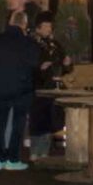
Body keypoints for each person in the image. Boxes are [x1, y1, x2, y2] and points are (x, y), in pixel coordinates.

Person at [0, 10, 40, 171]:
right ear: (24, 24)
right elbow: (35, 63)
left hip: (0, 86)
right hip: (21, 88)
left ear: (10, 22)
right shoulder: (29, 43)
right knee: (18, 124)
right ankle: (13, 159)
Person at [28, 11, 73, 160]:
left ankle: (45, 152)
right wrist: (40, 68)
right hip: (38, 87)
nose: (49, 29)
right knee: (37, 119)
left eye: (50, 26)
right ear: (38, 28)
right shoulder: (31, 44)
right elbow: (27, 66)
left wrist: (67, 64)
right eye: (46, 26)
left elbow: (65, 65)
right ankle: (35, 151)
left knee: (50, 120)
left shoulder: (55, 44)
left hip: (53, 86)